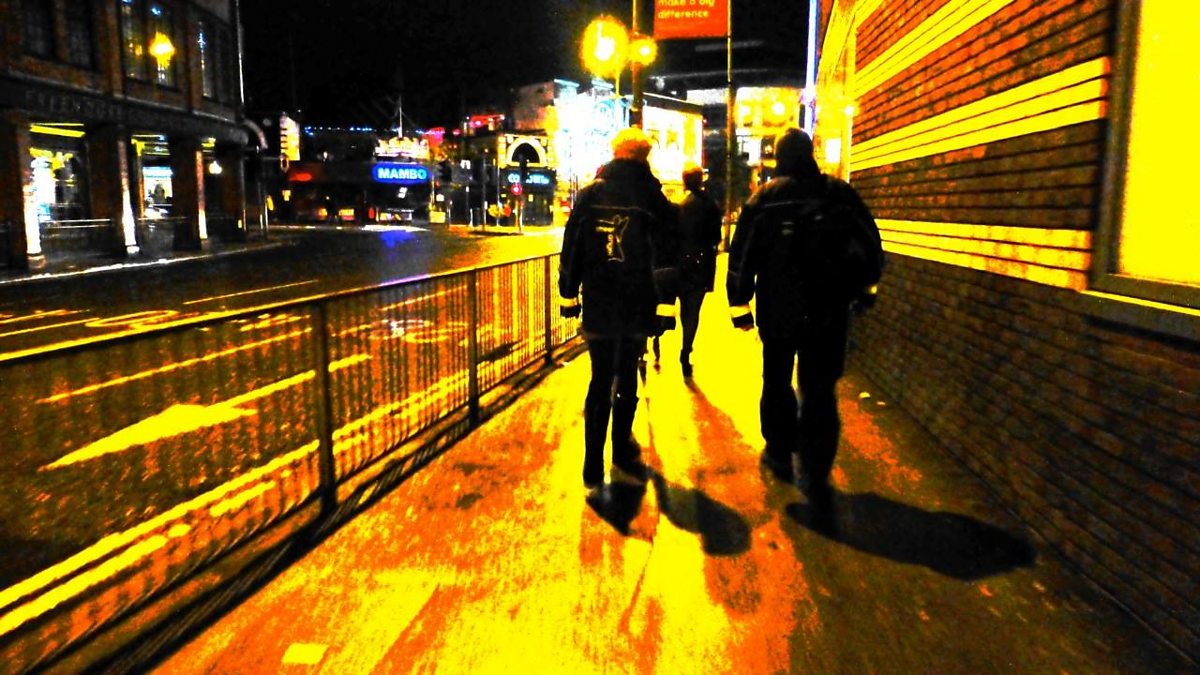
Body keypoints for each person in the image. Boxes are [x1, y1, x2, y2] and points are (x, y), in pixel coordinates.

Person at [726, 128, 884, 506]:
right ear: (810, 153)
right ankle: (816, 466)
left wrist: (739, 305)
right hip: (828, 309)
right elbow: (870, 245)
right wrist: (865, 291)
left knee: (777, 379)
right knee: (819, 388)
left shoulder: (765, 199)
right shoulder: (838, 194)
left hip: (778, 309)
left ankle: (779, 450)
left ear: (780, 157)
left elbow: (743, 255)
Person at [559, 127, 680, 496]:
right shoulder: (653, 198)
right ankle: (622, 448)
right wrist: (664, 304)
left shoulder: (591, 194)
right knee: (627, 375)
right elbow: (668, 254)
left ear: (614, 153)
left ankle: (592, 463)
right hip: (637, 305)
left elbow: (572, 247)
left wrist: (569, 295)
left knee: (599, 379)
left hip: (599, 302)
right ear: (644, 157)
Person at [659, 162, 722, 377]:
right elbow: (715, 237)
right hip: (701, 266)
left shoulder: (679, 206)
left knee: (667, 303)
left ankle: (656, 340)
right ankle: (685, 350)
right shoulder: (711, 205)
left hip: (678, 263)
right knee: (692, 311)